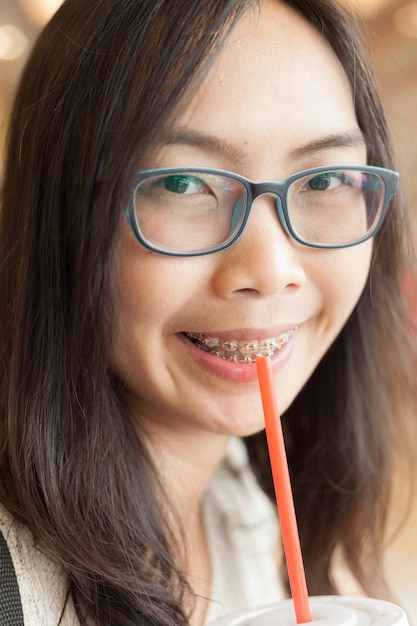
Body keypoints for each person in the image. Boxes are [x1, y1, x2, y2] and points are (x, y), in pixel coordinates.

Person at [0, 0, 416, 624]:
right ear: (58, 215)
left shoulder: (252, 512)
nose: (272, 269)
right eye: (181, 183)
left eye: (325, 179)